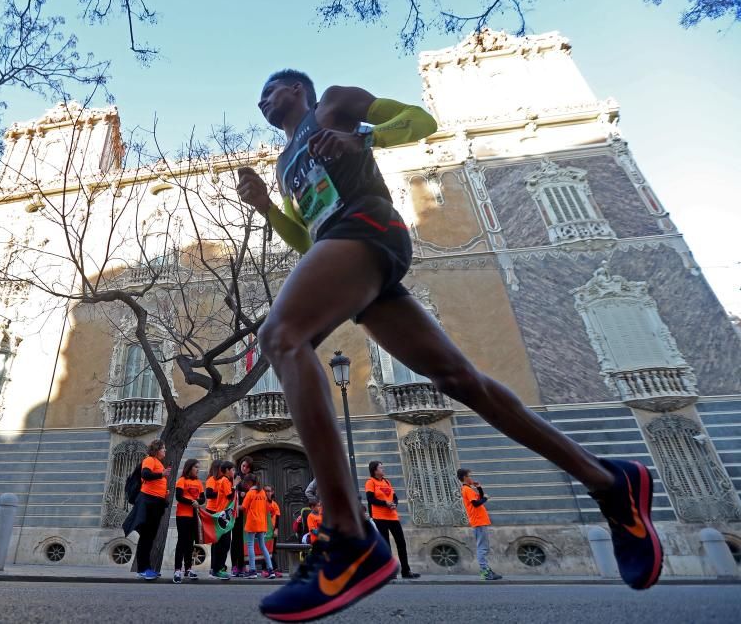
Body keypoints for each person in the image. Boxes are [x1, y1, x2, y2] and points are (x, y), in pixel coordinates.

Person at [237, 70, 663, 620]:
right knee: (462, 382)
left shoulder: (336, 104)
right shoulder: (284, 162)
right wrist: (266, 206)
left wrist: (359, 137)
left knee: (281, 335)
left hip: (367, 227)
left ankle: (347, 533)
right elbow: (306, 237)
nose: (262, 100)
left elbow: (419, 121)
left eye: (271, 90)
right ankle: (610, 482)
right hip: (343, 246)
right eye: (260, 97)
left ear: (297, 89)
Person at [365, 461, 419, 579]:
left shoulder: (386, 481)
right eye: (381, 468)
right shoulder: (370, 482)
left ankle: (406, 571)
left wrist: (394, 504)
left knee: (401, 543)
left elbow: (394, 497)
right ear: (375, 470)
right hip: (380, 517)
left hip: (393, 516)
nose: (383, 469)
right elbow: (370, 499)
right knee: (386, 545)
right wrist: (385, 503)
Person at [134, 439, 170, 581]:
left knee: (149, 537)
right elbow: (145, 475)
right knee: (146, 537)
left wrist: (164, 495)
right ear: (157, 449)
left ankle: (146, 568)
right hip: (148, 501)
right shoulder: (150, 460)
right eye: (163, 448)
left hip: (156, 502)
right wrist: (162, 475)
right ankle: (143, 569)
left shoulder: (159, 463)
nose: (165, 451)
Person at [458, 468, 502, 580]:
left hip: (480, 521)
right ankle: (485, 572)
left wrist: (479, 488)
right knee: (482, 548)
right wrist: (486, 498)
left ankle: (486, 570)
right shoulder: (466, 490)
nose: (471, 477)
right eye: (470, 475)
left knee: (483, 547)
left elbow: (479, 498)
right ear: (465, 478)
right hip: (478, 521)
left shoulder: (469, 489)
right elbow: (476, 504)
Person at [173, 458, 205, 583]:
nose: (198, 469)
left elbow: (202, 498)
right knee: (181, 542)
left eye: (198, 467)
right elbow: (179, 497)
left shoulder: (198, 482)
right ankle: (177, 570)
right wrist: (193, 502)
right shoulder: (182, 480)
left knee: (190, 543)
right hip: (182, 515)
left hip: (194, 516)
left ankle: (188, 569)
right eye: (196, 467)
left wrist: (198, 502)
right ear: (190, 467)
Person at [241, 474, 276, 579]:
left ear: (250, 483)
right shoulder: (263, 493)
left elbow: (243, 507)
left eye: (246, 484)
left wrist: (234, 507)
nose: (246, 486)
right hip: (262, 523)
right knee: (263, 546)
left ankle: (252, 570)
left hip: (252, 522)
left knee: (250, 545)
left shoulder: (250, 493)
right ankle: (270, 570)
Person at [207, 460, 236, 580]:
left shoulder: (224, 480)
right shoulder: (225, 480)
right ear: (228, 470)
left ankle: (216, 568)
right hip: (223, 515)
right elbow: (230, 496)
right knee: (223, 544)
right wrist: (235, 485)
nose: (234, 472)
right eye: (233, 470)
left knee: (221, 543)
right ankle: (218, 569)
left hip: (223, 514)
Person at [231, 455, 255, 576]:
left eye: (247, 467)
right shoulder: (236, 476)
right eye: (243, 465)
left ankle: (243, 565)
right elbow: (230, 492)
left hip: (248, 513)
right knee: (236, 539)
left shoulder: (251, 478)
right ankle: (234, 565)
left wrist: (246, 494)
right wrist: (237, 489)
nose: (245, 468)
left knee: (245, 540)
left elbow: (255, 492)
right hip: (237, 512)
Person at [265, 485, 284, 578]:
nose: (267, 493)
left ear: (272, 492)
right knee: (264, 550)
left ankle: (272, 568)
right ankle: (269, 569)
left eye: (269, 491)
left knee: (272, 550)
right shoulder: (262, 503)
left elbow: (277, 517)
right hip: (263, 530)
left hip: (272, 530)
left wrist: (276, 529)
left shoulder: (274, 504)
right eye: (266, 491)